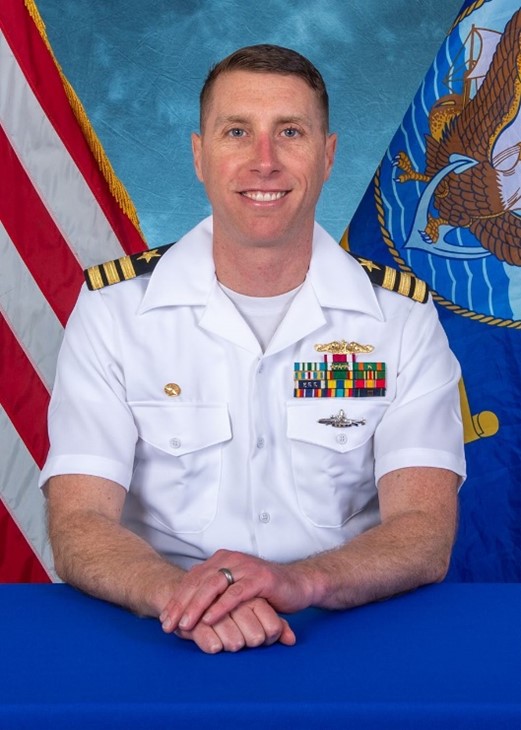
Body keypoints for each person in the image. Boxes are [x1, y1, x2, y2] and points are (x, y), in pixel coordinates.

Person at [40, 44, 466, 654]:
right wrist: (184, 598)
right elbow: (79, 520)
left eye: (290, 132)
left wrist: (301, 582)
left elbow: (423, 530)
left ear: (327, 156)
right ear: (199, 155)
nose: (264, 162)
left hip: (344, 631)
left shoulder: (401, 320)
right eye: (237, 132)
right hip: (162, 631)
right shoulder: (115, 312)